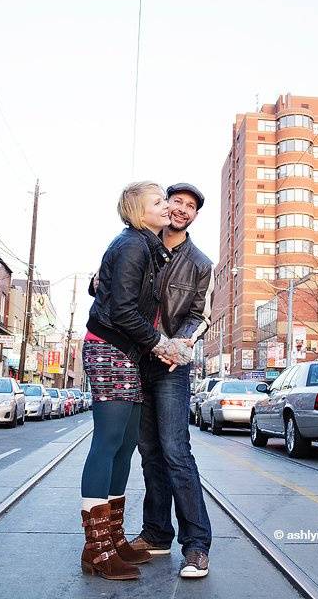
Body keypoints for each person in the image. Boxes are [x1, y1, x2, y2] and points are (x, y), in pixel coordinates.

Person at [79, 181, 192, 581]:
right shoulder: (131, 245)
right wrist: (160, 344)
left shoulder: (147, 247)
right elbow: (124, 310)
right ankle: (97, 549)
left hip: (128, 353)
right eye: (159, 202)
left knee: (125, 446)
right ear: (137, 211)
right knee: (107, 444)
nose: (167, 207)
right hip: (110, 348)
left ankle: (113, 538)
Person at [129, 182, 215, 579]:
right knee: (149, 453)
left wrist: (178, 347)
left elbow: (200, 315)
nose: (181, 209)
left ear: (195, 215)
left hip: (171, 367)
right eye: (175, 202)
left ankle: (196, 545)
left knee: (176, 452)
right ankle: (157, 533)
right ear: (165, 206)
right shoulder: (140, 244)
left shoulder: (200, 263)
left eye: (189, 206)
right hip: (135, 359)